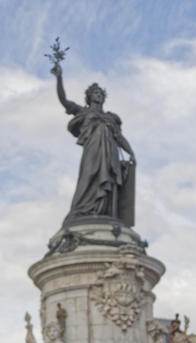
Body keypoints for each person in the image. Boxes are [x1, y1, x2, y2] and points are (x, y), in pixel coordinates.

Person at [51, 62, 136, 226]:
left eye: (100, 93)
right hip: (93, 149)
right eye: (95, 93)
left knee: (108, 180)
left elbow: (120, 138)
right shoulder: (83, 112)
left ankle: (103, 212)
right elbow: (63, 100)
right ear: (89, 97)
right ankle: (81, 210)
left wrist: (131, 152)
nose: (98, 95)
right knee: (89, 175)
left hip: (110, 151)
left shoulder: (112, 118)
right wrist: (59, 78)